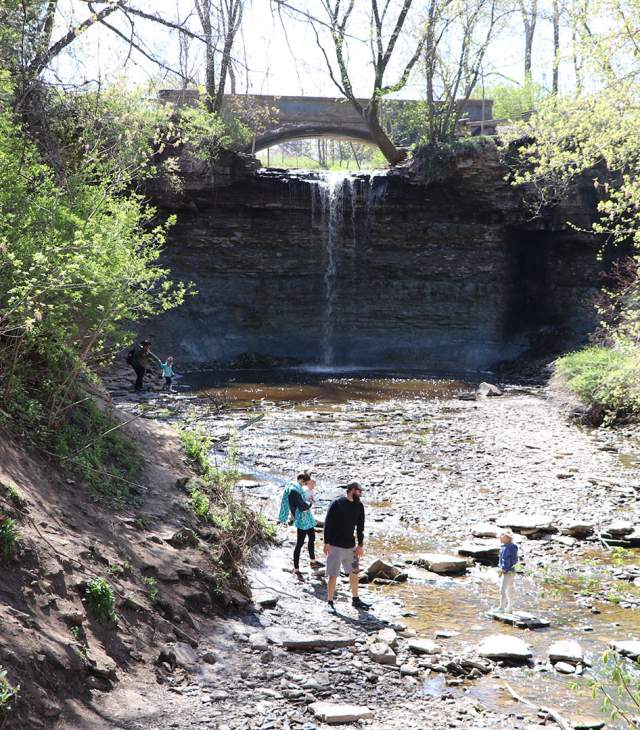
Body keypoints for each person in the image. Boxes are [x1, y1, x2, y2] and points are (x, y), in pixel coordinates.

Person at [323, 481, 370, 613]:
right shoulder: (337, 503)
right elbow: (328, 523)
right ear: (352, 490)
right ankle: (330, 602)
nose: (361, 494)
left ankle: (356, 599)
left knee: (354, 572)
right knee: (333, 574)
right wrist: (326, 543)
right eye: (359, 491)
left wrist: (360, 545)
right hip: (335, 546)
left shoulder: (359, 506)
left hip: (351, 546)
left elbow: (360, 527)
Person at [288, 472, 322, 580]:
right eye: (310, 483)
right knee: (299, 543)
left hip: (308, 518)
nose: (312, 485)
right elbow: (303, 505)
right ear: (305, 482)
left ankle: (312, 561)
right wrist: (310, 503)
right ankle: (296, 568)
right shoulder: (301, 490)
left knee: (312, 538)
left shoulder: (303, 489)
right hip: (303, 519)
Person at [498, 531, 518, 613]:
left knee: (503, 589)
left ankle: (501, 608)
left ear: (506, 538)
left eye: (501, 537)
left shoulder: (506, 548)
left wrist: (503, 569)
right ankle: (510, 607)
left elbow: (505, 560)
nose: (499, 538)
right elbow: (514, 560)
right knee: (510, 588)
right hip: (513, 570)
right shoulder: (513, 547)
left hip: (507, 571)